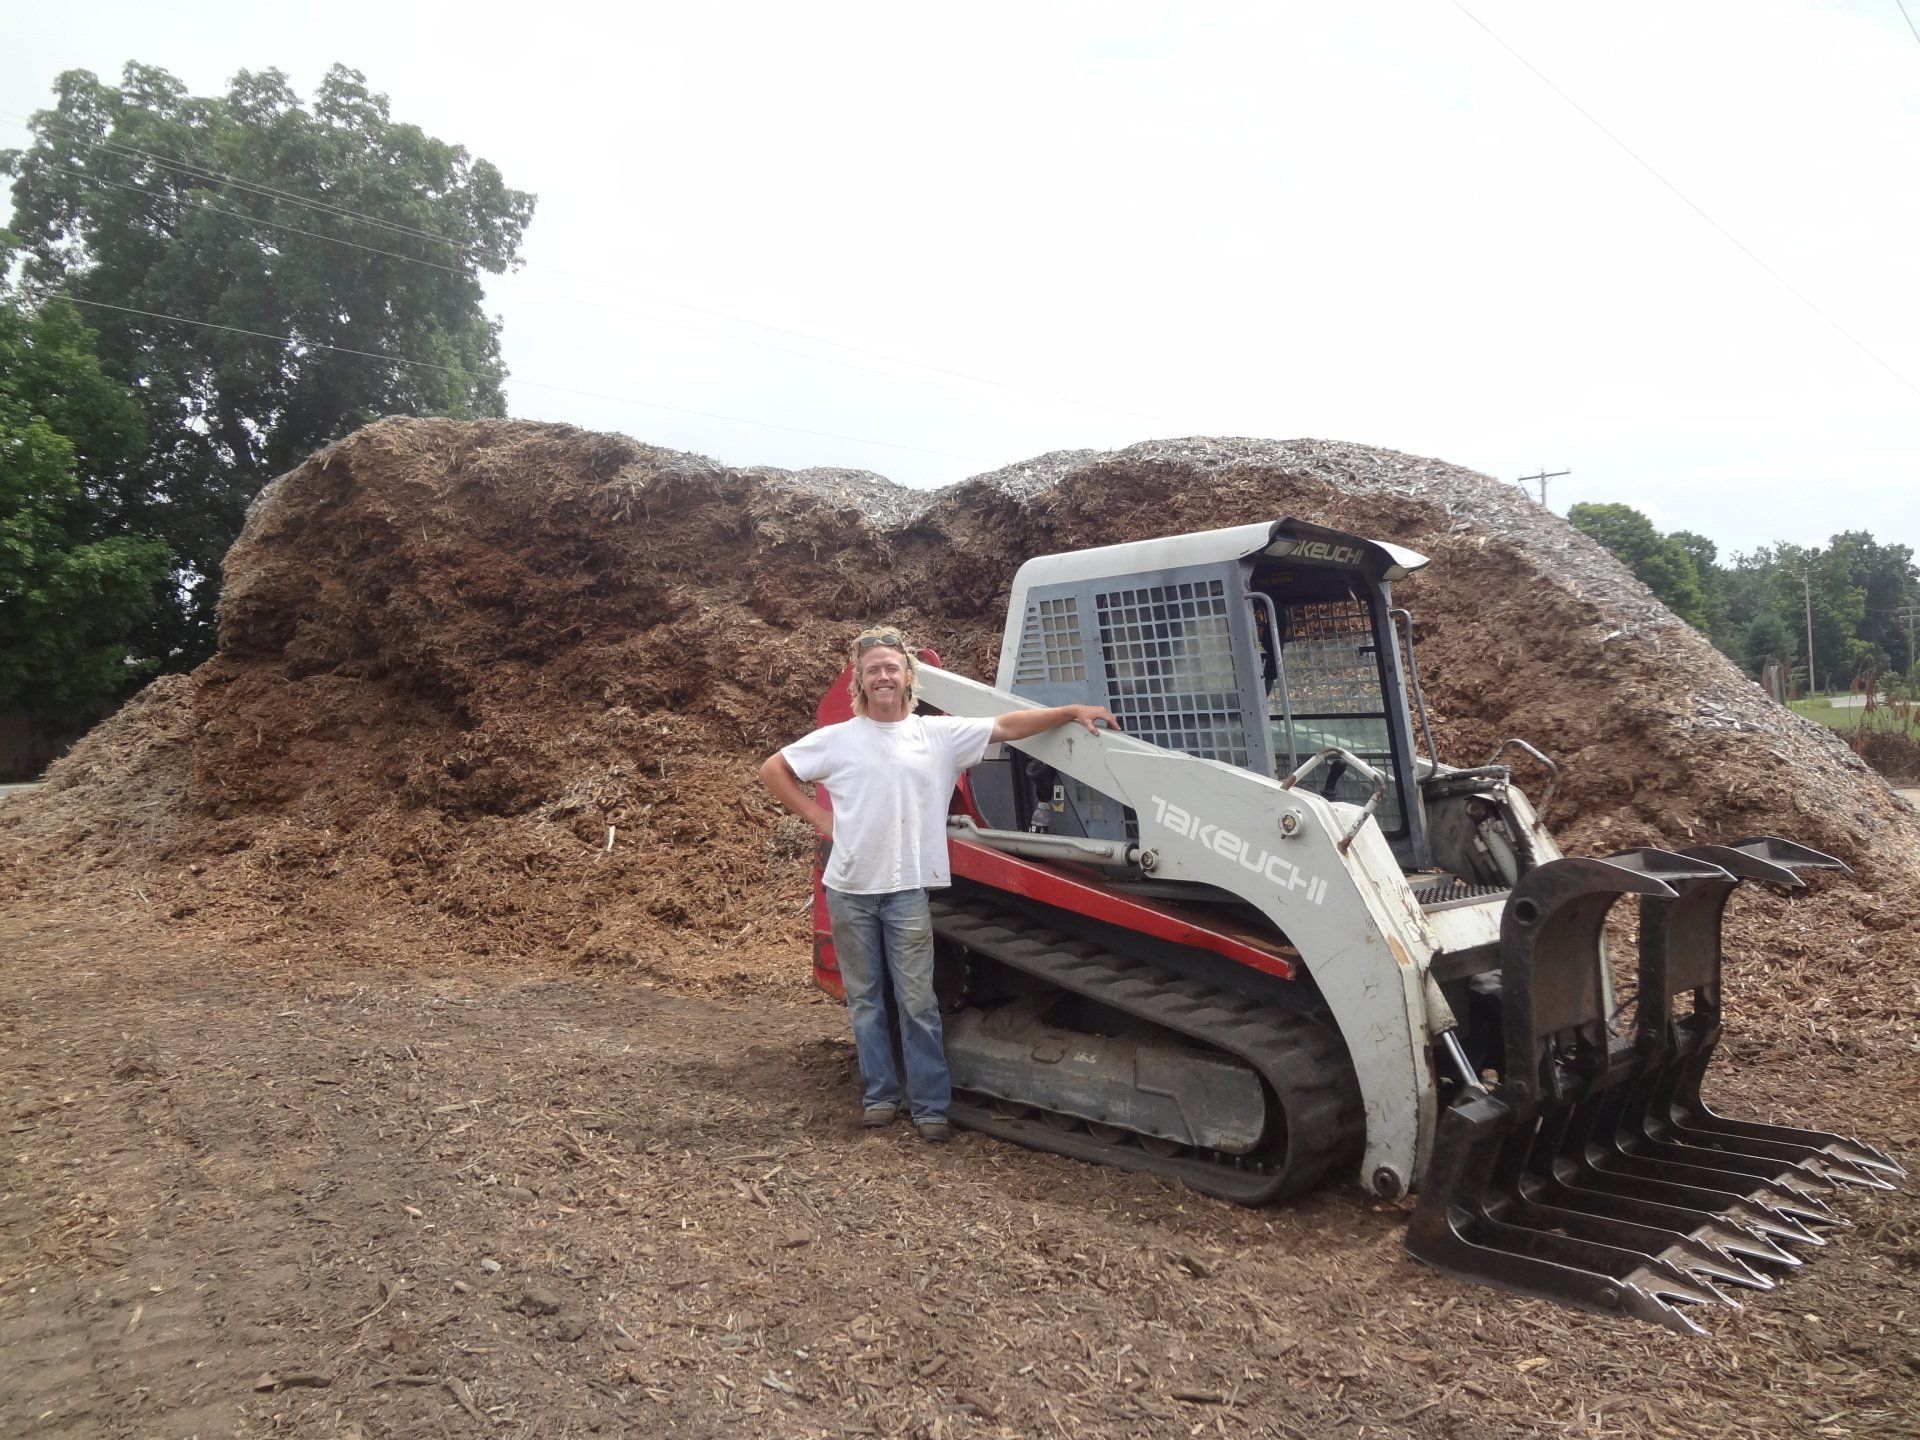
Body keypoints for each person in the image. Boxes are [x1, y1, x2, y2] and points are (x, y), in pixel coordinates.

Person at [759, 626, 1118, 1143]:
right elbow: (774, 769)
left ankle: (929, 1106)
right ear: (859, 682)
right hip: (850, 889)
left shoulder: (937, 736)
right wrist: (820, 818)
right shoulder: (836, 739)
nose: (883, 676)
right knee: (865, 999)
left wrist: (1067, 712)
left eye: (891, 667)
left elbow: (1008, 726)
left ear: (908, 677)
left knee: (917, 1001)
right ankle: (880, 1096)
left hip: (907, 889)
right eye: (872, 670)